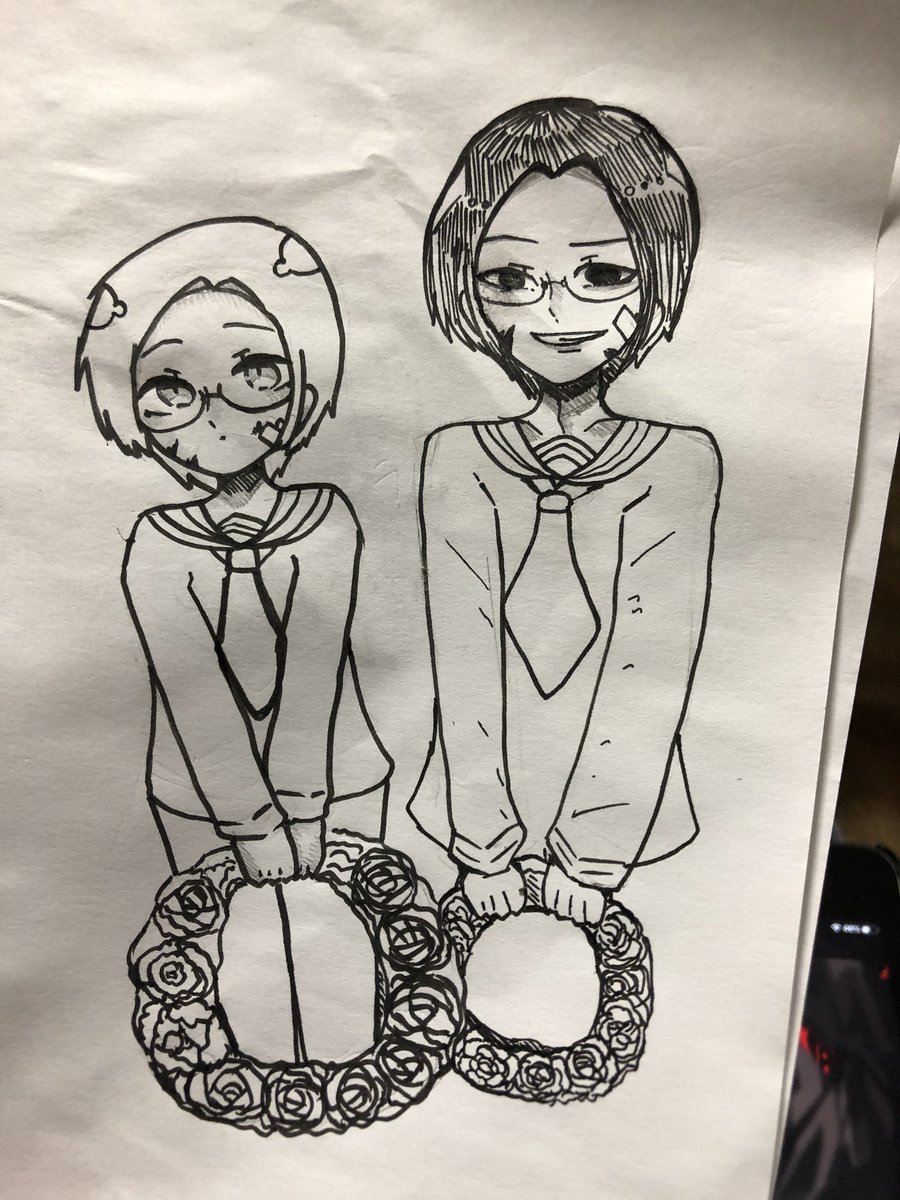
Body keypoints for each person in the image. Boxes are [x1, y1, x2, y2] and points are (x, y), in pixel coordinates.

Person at [76, 218, 393, 1057]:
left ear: (304, 375)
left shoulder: (327, 519)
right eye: (169, 386)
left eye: (256, 373)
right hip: (197, 792)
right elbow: (193, 693)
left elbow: (316, 674)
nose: (215, 410)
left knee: (347, 972)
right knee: (223, 976)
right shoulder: (155, 542)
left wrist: (303, 809)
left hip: (342, 779)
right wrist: (251, 823)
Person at [411, 99, 721, 926]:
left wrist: (595, 851)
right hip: (470, 806)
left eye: (603, 276)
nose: (554, 314)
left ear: (659, 269)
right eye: (510, 279)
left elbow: (649, 662)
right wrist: (481, 841)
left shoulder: (678, 462)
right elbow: (462, 652)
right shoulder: (460, 455)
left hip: (633, 815)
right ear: (464, 280)